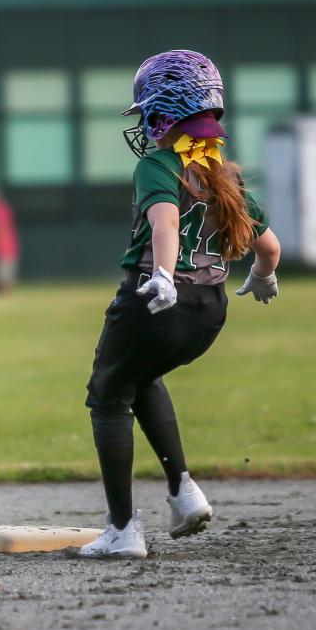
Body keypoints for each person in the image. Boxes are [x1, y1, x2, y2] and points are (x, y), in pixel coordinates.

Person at [79, 49, 282, 559]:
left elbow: (165, 223)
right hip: (211, 309)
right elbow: (270, 248)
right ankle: (183, 492)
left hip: (157, 300)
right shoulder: (224, 173)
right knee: (139, 377)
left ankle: (123, 531)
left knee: (107, 396)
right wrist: (262, 277)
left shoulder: (158, 164)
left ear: (164, 115)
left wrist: (163, 276)